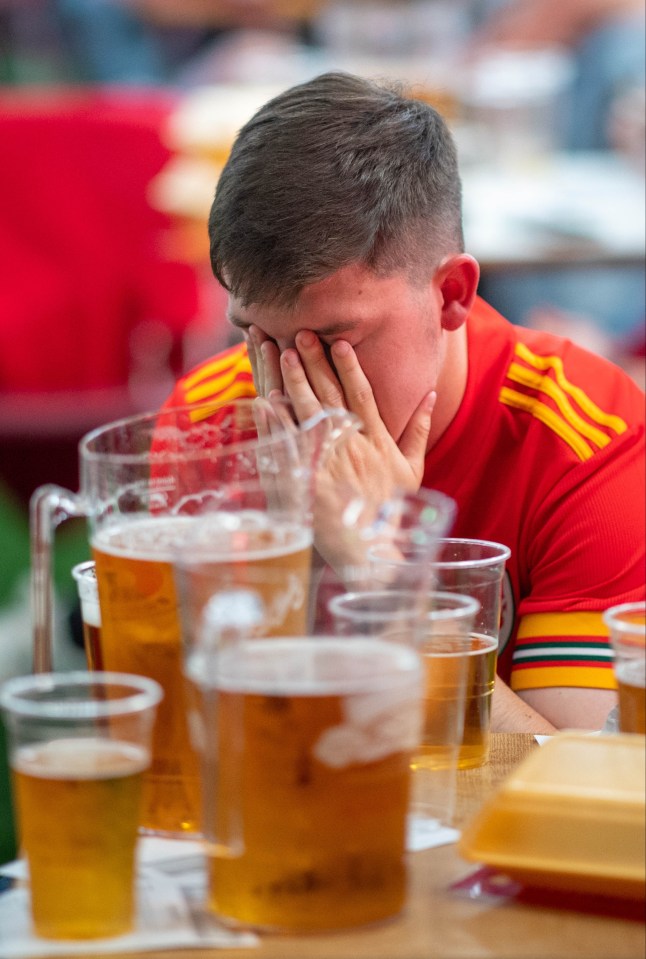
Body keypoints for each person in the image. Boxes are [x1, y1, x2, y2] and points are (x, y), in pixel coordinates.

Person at [163, 71, 645, 735]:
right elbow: (184, 735)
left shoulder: (588, 436)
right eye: (255, 336)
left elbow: (577, 787)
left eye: (333, 341)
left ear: (452, 293)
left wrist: (382, 576)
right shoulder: (210, 416)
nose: (290, 384)